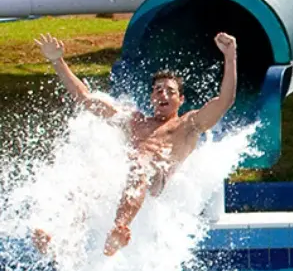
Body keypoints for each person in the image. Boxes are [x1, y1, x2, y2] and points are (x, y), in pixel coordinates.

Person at [33, 32, 238, 257]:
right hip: (130, 172)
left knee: (141, 165)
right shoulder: (134, 120)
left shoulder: (188, 125)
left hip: (157, 178)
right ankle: (59, 242)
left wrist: (230, 57)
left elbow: (224, 102)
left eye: (170, 91)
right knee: (91, 184)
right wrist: (57, 61)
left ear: (181, 100)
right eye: (158, 90)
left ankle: (120, 228)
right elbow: (86, 98)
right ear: (151, 98)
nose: (163, 94)